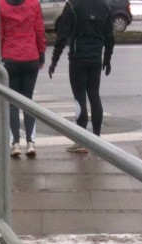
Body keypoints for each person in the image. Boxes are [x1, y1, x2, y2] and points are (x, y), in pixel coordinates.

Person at [48, 0, 114, 155]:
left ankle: (81, 141)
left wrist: (54, 61)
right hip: (96, 59)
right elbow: (110, 37)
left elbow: (62, 36)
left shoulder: (72, 5)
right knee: (94, 96)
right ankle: (97, 138)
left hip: (78, 59)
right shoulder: (104, 6)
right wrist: (107, 58)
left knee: (79, 98)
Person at [0, 0, 46, 159]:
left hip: (10, 58)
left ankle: (15, 144)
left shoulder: (1, 6)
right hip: (31, 56)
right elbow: (39, 30)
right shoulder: (34, 4)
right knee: (28, 101)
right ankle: (31, 143)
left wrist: (1, 55)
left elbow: (0, 34)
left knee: (12, 103)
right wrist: (41, 54)